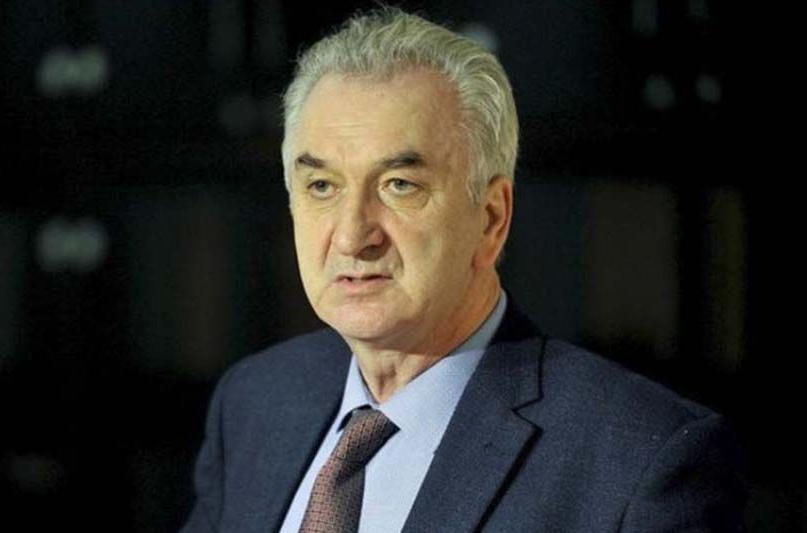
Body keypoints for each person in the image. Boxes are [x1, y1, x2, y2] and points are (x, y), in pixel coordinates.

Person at [182, 7, 747, 533]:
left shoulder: (641, 462)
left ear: (491, 218)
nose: (352, 235)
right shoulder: (254, 403)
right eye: (322, 187)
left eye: (399, 185)